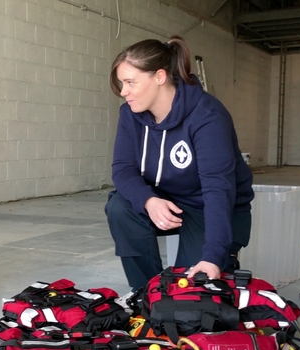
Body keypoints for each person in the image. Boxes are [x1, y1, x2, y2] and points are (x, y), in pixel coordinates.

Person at [105, 36, 254, 292]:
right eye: (121, 83)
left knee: (192, 291)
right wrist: (148, 200)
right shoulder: (130, 114)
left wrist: (213, 255)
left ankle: (220, 261)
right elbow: (123, 170)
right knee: (120, 208)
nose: (123, 91)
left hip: (208, 207)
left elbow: (218, 190)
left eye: (130, 82)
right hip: (166, 200)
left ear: (160, 77)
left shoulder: (208, 116)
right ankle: (146, 293)